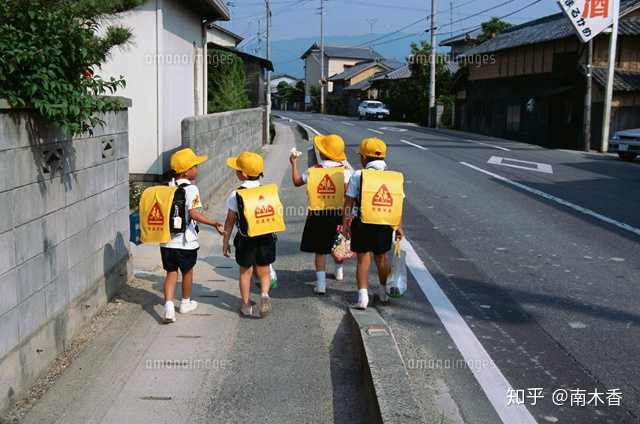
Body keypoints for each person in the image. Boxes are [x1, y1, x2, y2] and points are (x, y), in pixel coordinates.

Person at [161, 148, 225, 323]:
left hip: (167, 241)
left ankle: (168, 307)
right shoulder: (192, 189)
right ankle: (185, 302)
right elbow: (194, 213)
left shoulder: (167, 187)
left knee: (170, 273)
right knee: (187, 272)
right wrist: (213, 223)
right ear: (186, 170)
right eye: (195, 165)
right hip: (186, 242)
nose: (197, 168)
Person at [342, 138, 404, 310]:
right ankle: (383, 293)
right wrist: (399, 226)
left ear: (363, 158)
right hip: (385, 224)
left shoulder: (357, 175)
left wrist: (345, 224)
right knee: (382, 258)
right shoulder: (393, 178)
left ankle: (363, 298)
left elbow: (349, 203)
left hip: (362, 223)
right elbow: (397, 204)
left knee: (363, 260)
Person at [290, 134, 353, 295]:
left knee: (320, 250)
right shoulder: (345, 172)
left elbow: (297, 181)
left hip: (317, 215)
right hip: (338, 214)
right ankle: (339, 271)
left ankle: (321, 284)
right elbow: (349, 195)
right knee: (338, 244)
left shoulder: (313, 171)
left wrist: (293, 163)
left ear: (323, 153)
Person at [223, 151, 278, 318]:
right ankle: (264, 295)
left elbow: (230, 221)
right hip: (266, 237)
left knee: (245, 272)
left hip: (245, 240)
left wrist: (225, 242)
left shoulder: (236, 194)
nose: (236, 172)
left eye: (237, 170)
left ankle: (246, 305)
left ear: (244, 174)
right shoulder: (268, 191)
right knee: (264, 270)